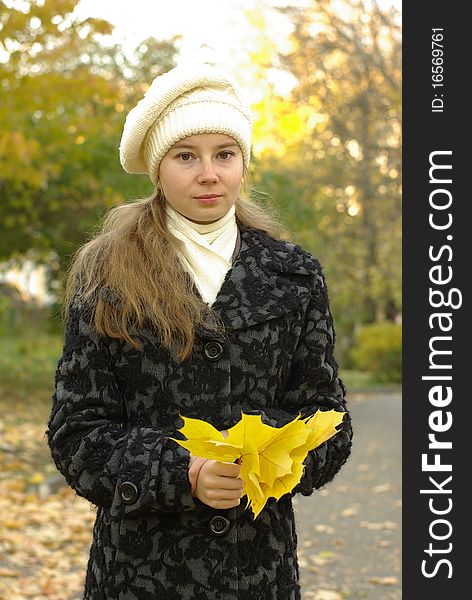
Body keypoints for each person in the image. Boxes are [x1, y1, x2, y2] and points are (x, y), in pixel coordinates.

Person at [46, 63, 353, 600]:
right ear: (157, 169)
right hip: (141, 573)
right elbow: (77, 434)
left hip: (258, 569)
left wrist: (262, 461)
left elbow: (328, 420)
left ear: (243, 164)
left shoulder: (294, 273)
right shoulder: (105, 275)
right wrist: (181, 472)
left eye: (224, 154)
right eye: (186, 155)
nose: (208, 174)